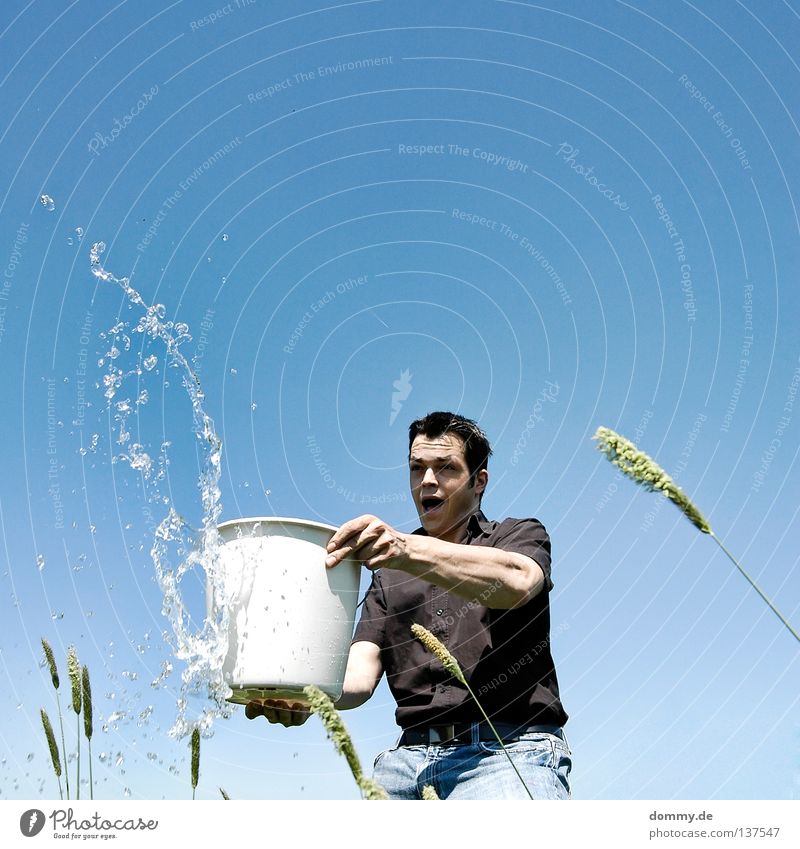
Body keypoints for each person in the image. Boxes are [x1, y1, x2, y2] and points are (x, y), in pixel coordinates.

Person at [246, 411, 571, 799]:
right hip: (407, 765)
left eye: (445, 467)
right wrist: (309, 691)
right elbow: (359, 676)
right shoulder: (387, 575)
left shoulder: (516, 536)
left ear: (479, 481)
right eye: (417, 468)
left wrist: (404, 548)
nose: (427, 481)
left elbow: (518, 581)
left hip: (507, 753)